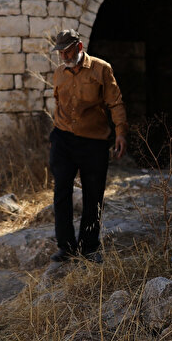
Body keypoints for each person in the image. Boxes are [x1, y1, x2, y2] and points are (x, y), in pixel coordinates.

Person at [49, 29, 128, 263]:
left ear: (79, 46)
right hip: (63, 138)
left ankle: (89, 247)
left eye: (68, 51)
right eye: (60, 52)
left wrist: (121, 133)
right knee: (61, 190)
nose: (64, 56)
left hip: (93, 141)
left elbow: (115, 103)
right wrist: (55, 136)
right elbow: (57, 102)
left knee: (93, 194)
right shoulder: (58, 73)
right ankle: (66, 247)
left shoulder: (102, 69)